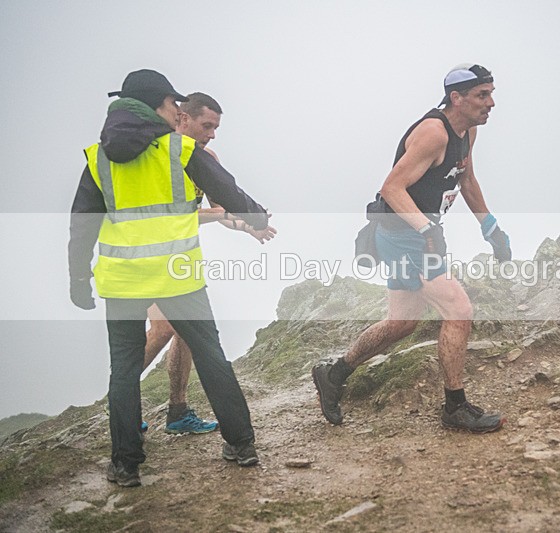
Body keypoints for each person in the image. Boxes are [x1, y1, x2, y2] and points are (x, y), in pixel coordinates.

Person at [69, 69, 274, 487]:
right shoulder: (178, 150)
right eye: (171, 104)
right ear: (154, 105)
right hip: (179, 278)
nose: (175, 110)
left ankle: (126, 465)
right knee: (211, 355)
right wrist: (258, 215)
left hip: (122, 282)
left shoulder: (97, 157)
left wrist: (78, 281)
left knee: (123, 370)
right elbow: (227, 189)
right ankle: (241, 444)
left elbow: (82, 226)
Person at [312, 64, 512, 433]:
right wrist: (425, 230)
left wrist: (491, 226)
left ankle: (333, 373)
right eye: (483, 95)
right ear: (457, 98)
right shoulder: (433, 133)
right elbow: (391, 188)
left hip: (420, 233)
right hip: (403, 235)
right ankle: (455, 407)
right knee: (459, 308)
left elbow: (464, 177)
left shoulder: (466, 132)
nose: (491, 103)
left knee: (402, 322)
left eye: (491, 93)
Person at [141, 92, 274, 435]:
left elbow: (224, 207)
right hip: (146, 255)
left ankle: (178, 412)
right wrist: (218, 215)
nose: (212, 133)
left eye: (216, 127)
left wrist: (246, 227)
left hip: (182, 259)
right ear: (183, 119)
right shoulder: (158, 156)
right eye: (207, 125)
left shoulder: (206, 158)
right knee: (163, 330)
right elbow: (172, 215)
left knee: (188, 331)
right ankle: (121, 401)